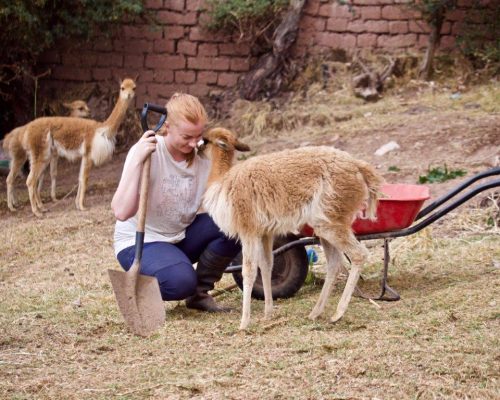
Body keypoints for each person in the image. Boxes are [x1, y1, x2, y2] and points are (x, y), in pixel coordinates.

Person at [111, 93, 241, 312]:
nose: (194, 143)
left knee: (233, 222)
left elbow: (223, 199)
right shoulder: (148, 151)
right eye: (187, 136)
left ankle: (199, 294)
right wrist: (136, 160)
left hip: (179, 236)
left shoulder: (203, 157)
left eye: (198, 136)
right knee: (180, 283)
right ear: (168, 127)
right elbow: (122, 211)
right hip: (141, 242)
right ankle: (168, 280)